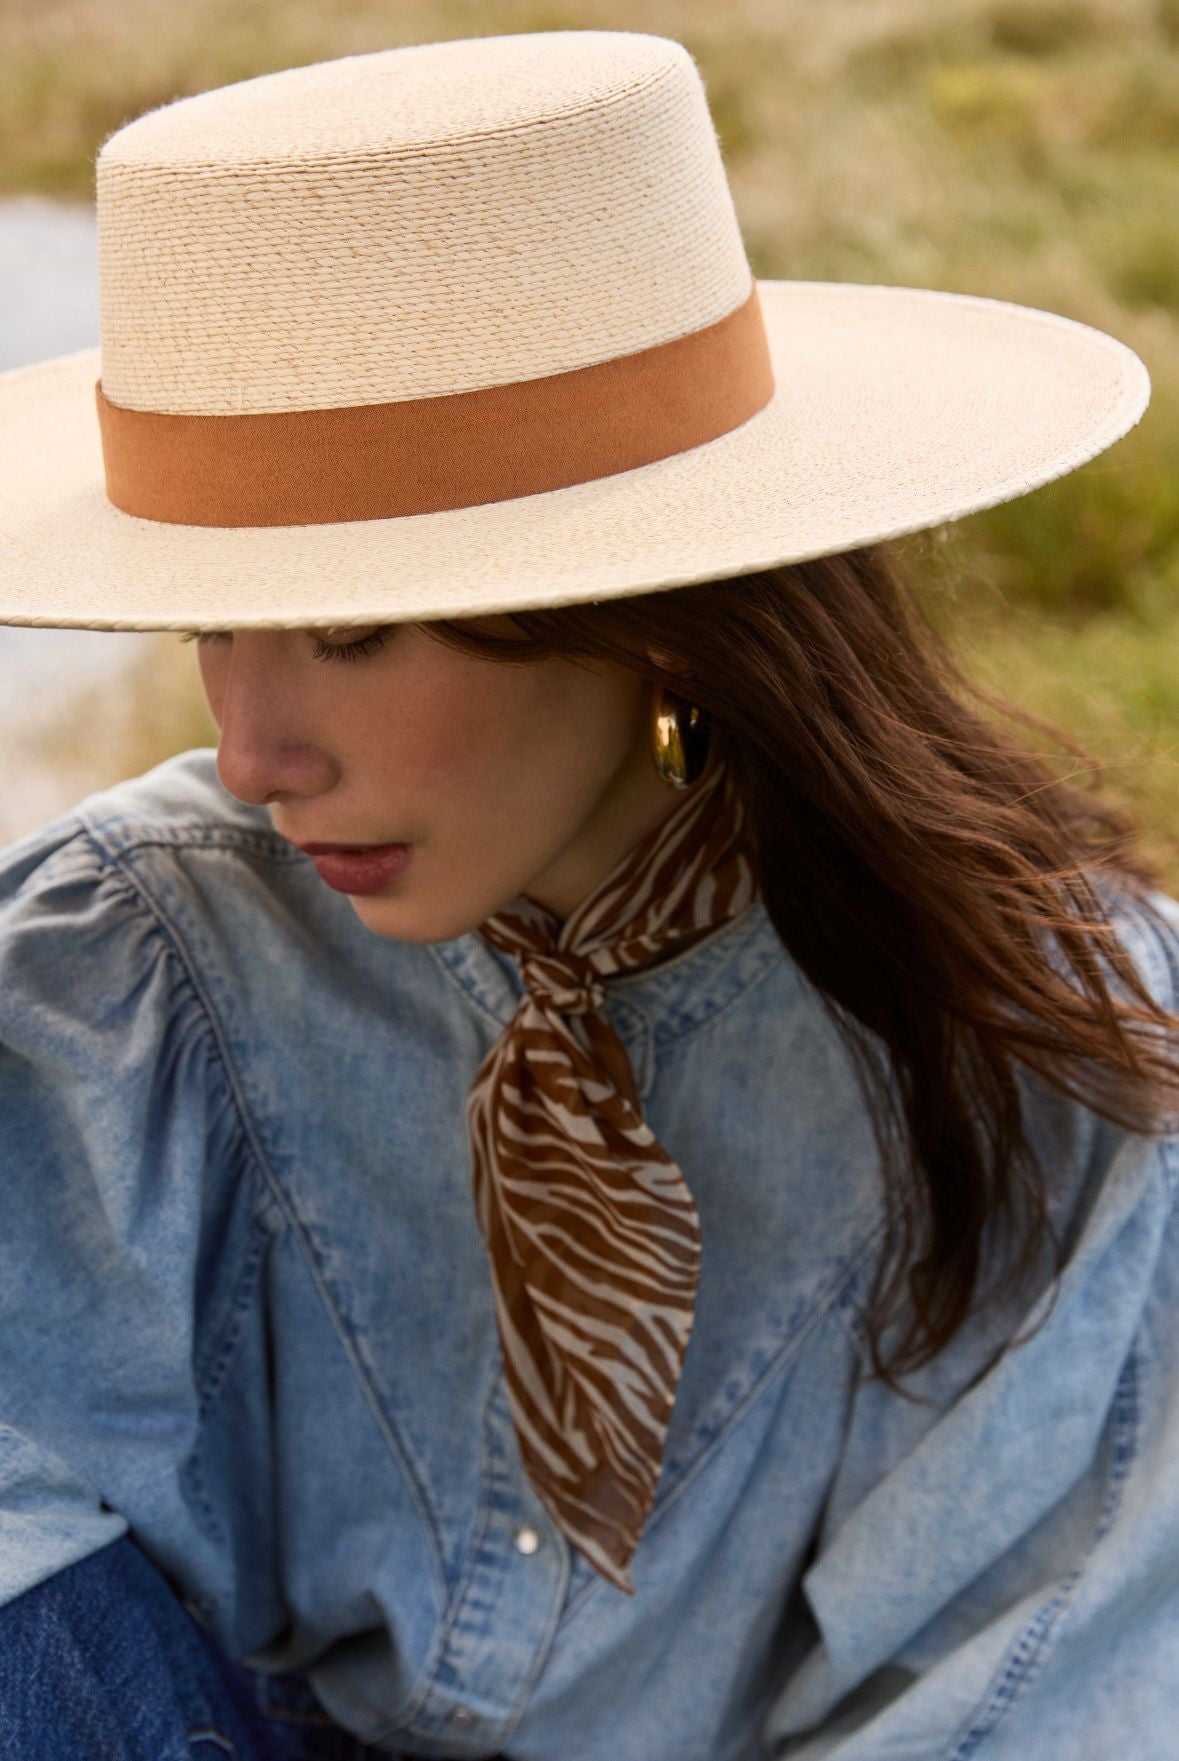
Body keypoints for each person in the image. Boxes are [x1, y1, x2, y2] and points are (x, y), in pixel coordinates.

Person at [0, 28, 1177, 1761]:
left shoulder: (1065, 1068)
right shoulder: (125, 976)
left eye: (347, 631)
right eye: (211, 621)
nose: (251, 752)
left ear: (649, 600)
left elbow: (1041, 1687)